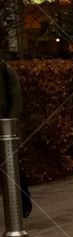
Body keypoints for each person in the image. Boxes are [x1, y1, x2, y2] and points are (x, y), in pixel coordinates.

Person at [0, 57, 30, 219]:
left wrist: (9, 126)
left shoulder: (6, 72)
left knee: (13, 167)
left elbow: (16, 101)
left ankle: (23, 203)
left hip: (5, 130)